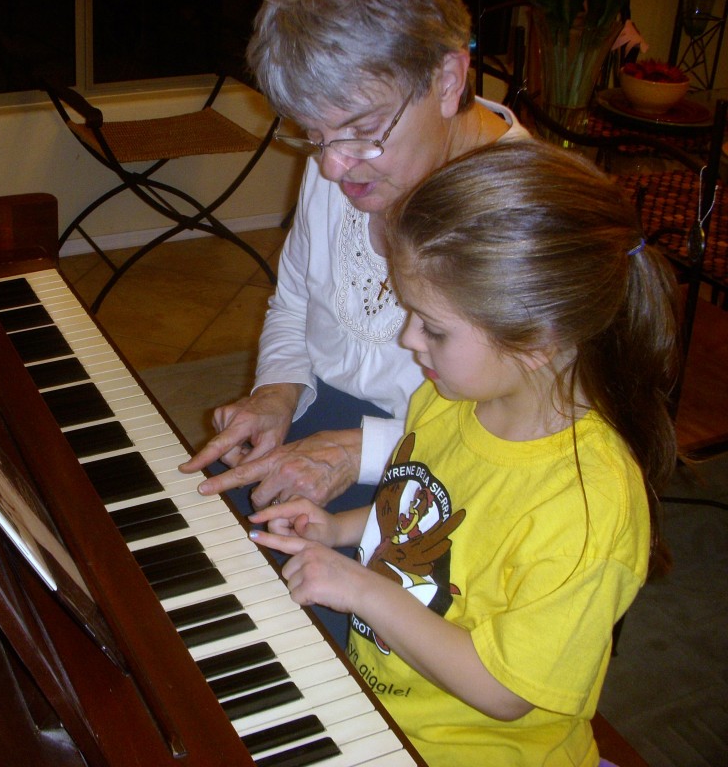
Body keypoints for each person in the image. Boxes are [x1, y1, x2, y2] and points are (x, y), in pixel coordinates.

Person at [247, 140, 680, 766]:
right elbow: (417, 515)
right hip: (386, 710)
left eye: (434, 327)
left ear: (536, 340)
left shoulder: (588, 506)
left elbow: (505, 691)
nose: (407, 338)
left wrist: (366, 594)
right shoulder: (447, 398)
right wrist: (339, 527)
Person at [179, 0, 530, 521]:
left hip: (449, 475)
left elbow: (524, 434)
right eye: (314, 135)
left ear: (449, 79)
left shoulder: (529, 215)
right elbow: (294, 303)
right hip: (315, 425)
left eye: (361, 132)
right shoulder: (341, 161)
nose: (332, 166)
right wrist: (277, 392)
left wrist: (352, 452)